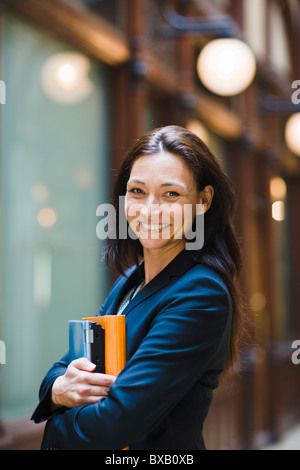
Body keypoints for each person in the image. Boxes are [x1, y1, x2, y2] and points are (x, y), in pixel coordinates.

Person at [32, 125, 246, 450]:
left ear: (203, 200)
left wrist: (55, 422)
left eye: (171, 194)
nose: (149, 210)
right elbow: (66, 366)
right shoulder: (130, 279)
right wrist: (58, 388)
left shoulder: (201, 293)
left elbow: (115, 423)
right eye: (137, 192)